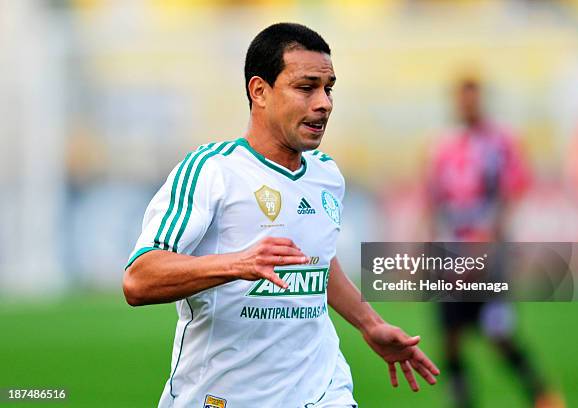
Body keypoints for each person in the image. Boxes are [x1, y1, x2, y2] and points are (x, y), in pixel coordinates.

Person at [123, 23, 439, 408]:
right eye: (306, 88)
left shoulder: (326, 174)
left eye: (328, 88)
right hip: (221, 397)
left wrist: (370, 324)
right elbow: (138, 280)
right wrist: (237, 264)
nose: (324, 102)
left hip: (322, 391)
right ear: (260, 91)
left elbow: (318, 259)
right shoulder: (212, 171)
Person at [427, 77, 563, 408]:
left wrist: (491, 243)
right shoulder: (444, 146)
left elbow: (511, 193)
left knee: (496, 332)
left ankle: (541, 394)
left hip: (487, 253)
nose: (467, 105)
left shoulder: (501, 143)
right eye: (462, 100)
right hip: (451, 253)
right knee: (450, 337)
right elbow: (434, 200)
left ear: (481, 101)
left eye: (472, 99)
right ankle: (463, 402)